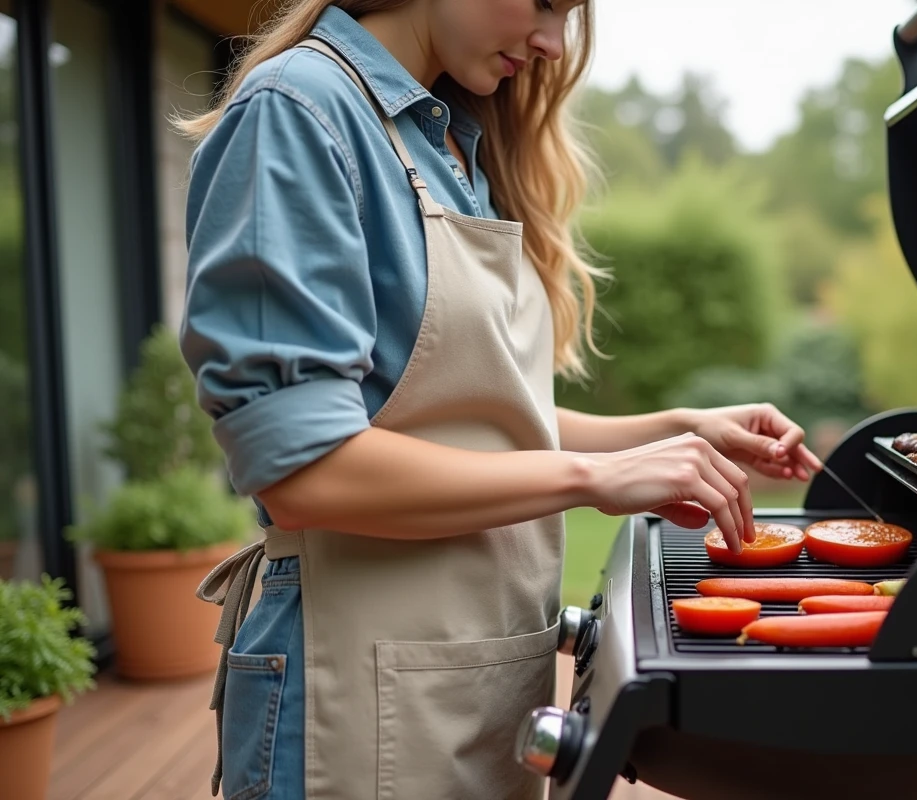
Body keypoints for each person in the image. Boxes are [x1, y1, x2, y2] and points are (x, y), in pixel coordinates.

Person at [180, 1, 824, 798]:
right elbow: (305, 471)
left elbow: (473, 420)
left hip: (460, 677)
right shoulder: (300, 111)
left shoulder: (444, 137)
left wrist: (672, 433)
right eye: (548, 2)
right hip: (352, 686)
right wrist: (595, 481)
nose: (556, 44)